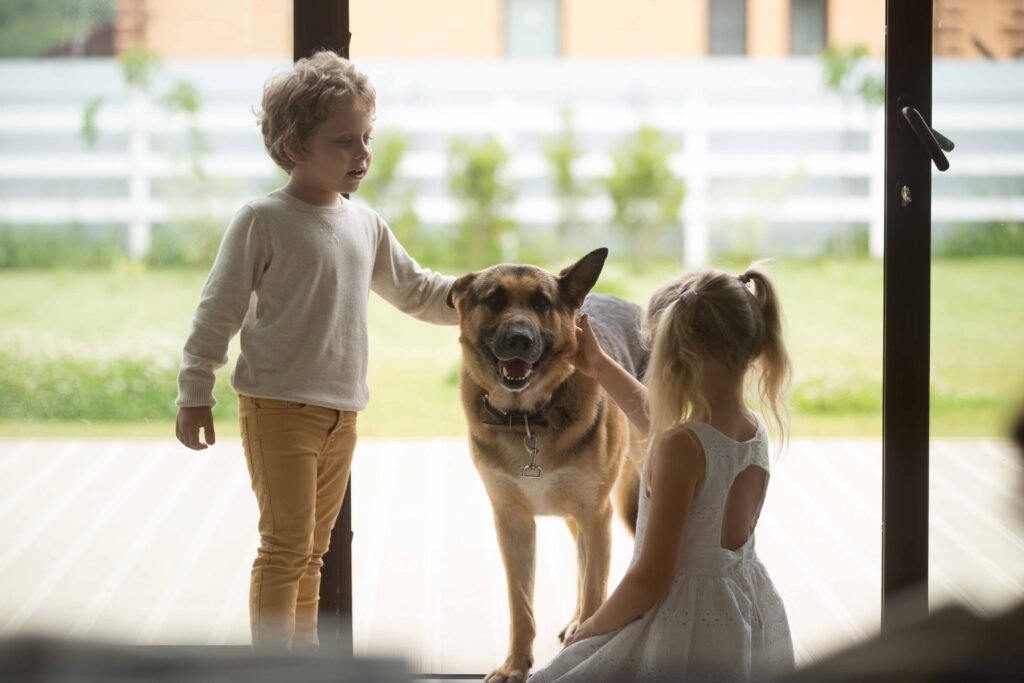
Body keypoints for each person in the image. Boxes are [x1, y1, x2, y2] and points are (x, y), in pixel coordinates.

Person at [173, 51, 457, 651]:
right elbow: (216, 311)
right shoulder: (263, 220)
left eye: (366, 138)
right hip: (277, 410)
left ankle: (300, 665)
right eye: (343, 141)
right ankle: (274, 667)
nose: (362, 154)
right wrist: (194, 392)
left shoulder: (366, 225)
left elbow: (418, 291)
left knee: (314, 551)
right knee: (284, 548)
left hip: (342, 414)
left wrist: (488, 294)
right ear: (296, 148)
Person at [529, 266, 795, 682]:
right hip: (740, 606)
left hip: (682, 623)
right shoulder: (747, 428)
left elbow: (651, 577)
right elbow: (658, 422)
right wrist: (598, 366)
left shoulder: (681, 447)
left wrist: (591, 626)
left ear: (678, 357)